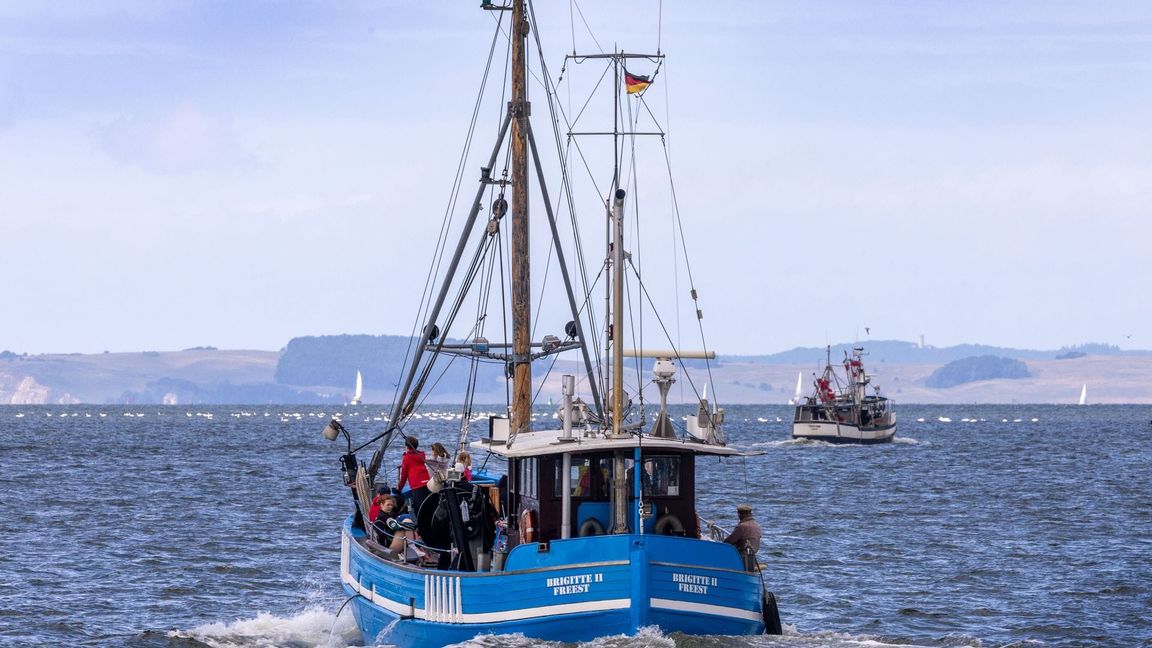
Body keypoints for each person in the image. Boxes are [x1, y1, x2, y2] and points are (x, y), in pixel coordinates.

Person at [397, 436, 432, 517]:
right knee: (428, 506)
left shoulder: (407, 457)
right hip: (427, 482)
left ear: (407, 446)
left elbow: (404, 476)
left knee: (419, 509)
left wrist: (399, 489)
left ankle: (421, 524)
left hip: (417, 485)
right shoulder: (421, 455)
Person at [724, 504, 762, 571]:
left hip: (741, 556)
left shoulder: (742, 526)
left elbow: (728, 541)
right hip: (752, 556)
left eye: (739, 514)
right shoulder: (756, 525)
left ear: (740, 514)